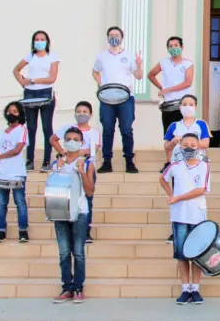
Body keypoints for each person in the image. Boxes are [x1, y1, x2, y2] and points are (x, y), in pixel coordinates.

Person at [159, 133, 210, 305]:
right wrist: (171, 194)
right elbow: (162, 179)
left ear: (199, 147)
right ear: (180, 146)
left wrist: (178, 198)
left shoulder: (204, 166)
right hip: (179, 215)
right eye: (186, 144)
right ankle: (185, 288)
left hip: (197, 215)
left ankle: (195, 288)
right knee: (181, 254)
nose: (189, 148)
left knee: (196, 253)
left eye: (193, 145)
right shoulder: (175, 166)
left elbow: (201, 189)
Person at [51, 127, 95, 304]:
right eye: (68, 138)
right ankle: (66, 287)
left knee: (78, 252)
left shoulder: (87, 163)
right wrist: (57, 170)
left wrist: (81, 171)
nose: (71, 141)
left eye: (75, 139)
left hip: (80, 211)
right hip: (60, 211)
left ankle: (78, 287)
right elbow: (52, 186)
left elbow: (90, 191)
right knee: (63, 252)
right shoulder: (57, 163)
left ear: (81, 142)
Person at [92, 26, 143, 174]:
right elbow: (95, 71)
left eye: (116, 34)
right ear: (108, 37)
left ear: (122, 37)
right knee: (107, 130)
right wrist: (100, 82)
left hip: (125, 98)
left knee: (126, 130)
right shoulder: (101, 56)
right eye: (111, 35)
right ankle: (107, 162)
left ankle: (129, 162)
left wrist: (139, 65)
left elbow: (138, 76)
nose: (114, 37)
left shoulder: (129, 56)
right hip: (107, 99)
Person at [50, 101, 101, 243]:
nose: (81, 114)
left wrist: (77, 152)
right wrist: (62, 152)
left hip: (85, 168)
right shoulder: (68, 128)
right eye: (79, 111)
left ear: (90, 115)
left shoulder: (94, 132)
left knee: (87, 200)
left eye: (85, 111)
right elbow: (53, 139)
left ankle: (86, 230)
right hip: (67, 169)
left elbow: (93, 150)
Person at [162, 94, 210, 242]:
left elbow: (206, 143)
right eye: (184, 104)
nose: (187, 107)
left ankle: (195, 228)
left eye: (191, 104)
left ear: (195, 107)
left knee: (195, 195)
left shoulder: (201, 124)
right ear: (180, 107)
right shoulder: (174, 126)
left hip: (196, 165)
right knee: (179, 194)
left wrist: (188, 142)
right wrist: (174, 142)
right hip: (179, 165)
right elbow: (166, 146)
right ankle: (176, 230)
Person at [13, 30, 59, 172]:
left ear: (47, 41)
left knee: (47, 127)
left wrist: (32, 80)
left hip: (45, 92)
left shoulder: (53, 57)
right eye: (37, 39)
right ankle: (30, 160)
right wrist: (23, 82)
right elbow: (16, 70)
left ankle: (46, 160)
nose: (39, 41)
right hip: (30, 94)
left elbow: (52, 78)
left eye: (42, 39)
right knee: (31, 127)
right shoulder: (30, 56)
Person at [0, 101, 29, 243]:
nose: (11, 113)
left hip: (17, 172)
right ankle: (0, 230)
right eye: (9, 111)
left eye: (14, 111)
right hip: (2, 172)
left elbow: (17, 150)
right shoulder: (0, 133)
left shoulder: (22, 130)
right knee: (1, 202)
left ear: (19, 114)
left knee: (20, 202)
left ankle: (23, 230)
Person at [148, 36, 194, 134]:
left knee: (185, 135)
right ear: (168, 49)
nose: (174, 48)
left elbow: (187, 83)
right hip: (168, 105)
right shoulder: (163, 63)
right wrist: (162, 88)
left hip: (183, 105)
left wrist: (168, 90)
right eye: (171, 46)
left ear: (182, 47)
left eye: (176, 45)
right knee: (169, 135)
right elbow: (151, 75)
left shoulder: (188, 64)